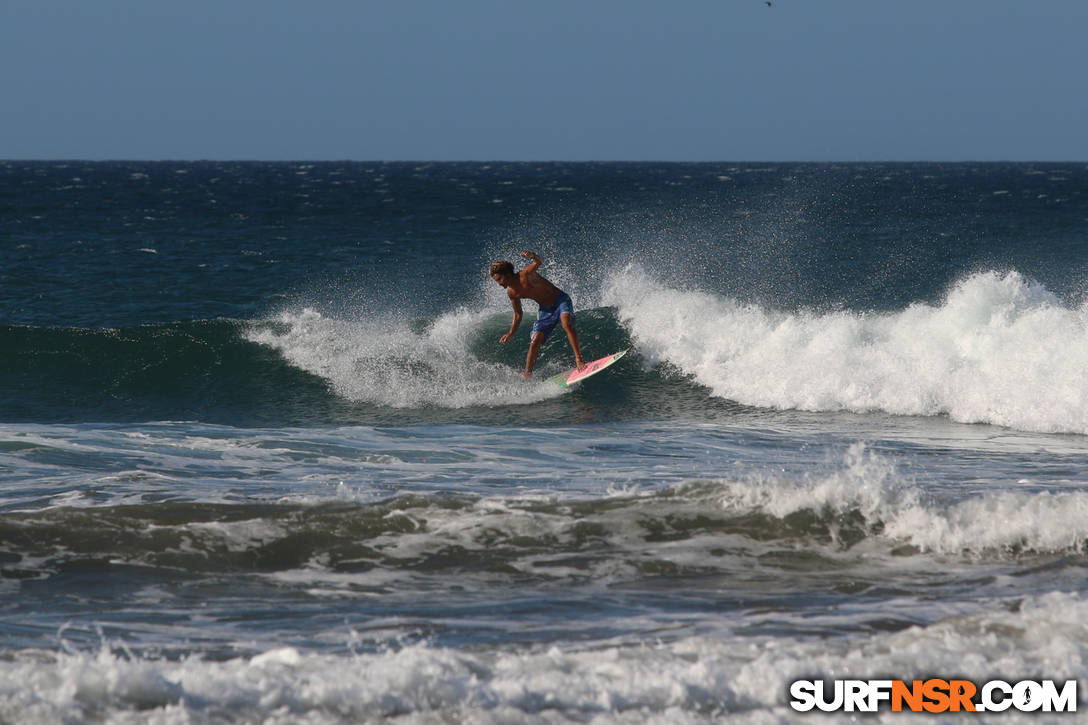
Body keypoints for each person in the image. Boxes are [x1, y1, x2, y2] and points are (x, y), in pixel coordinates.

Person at [490, 250, 585, 377]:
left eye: (499, 279)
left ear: (507, 274)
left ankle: (579, 359)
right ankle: (527, 374)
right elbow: (518, 314)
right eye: (497, 281)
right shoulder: (512, 293)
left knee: (566, 323)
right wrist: (511, 333)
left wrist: (533, 256)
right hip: (545, 310)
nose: (499, 283)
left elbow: (538, 262)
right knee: (535, 341)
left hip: (560, 300)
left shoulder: (526, 274)